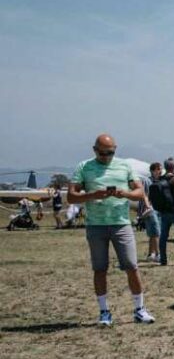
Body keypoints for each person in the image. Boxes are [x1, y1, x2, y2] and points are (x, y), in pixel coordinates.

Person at [67, 134, 154, 325]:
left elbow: (140, 192)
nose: (106, 156)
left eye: (111, 152)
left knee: (132, 266)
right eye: (103, 153)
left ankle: (140, 310)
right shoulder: (84, 167)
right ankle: (104, 312)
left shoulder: (125, 166)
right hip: (95, 225)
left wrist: (125, 193)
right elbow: (71, 196)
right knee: (100, 269)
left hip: (121, 223)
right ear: (94, 150)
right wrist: (93, 195)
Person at [138, 162, 162, 262]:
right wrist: (145, 208)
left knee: (153, 233)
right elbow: (143, 195)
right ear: (153, 170)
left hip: (159, 209)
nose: (160, 171)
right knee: (156, 232)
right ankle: (158, 254)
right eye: (159, 169)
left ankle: (150, 254)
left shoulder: (161, 180)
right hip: (150, 209)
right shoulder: (146, 181)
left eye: (161, 169)